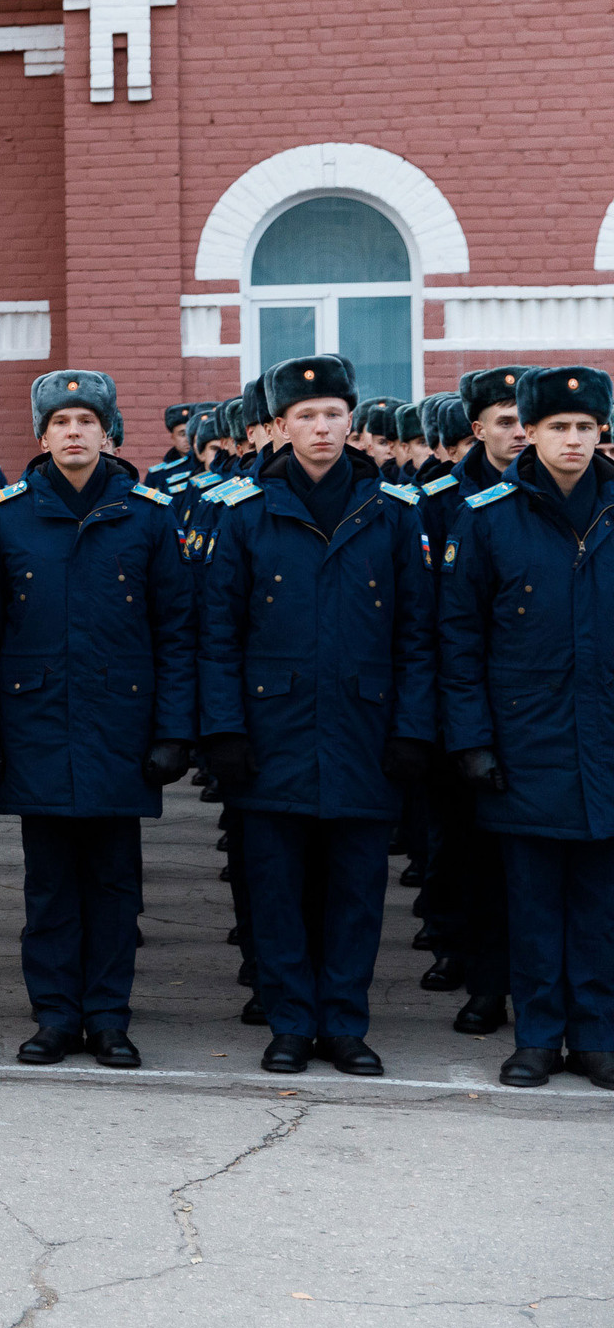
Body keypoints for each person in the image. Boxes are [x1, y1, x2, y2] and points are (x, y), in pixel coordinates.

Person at [198, 354, 437, 1077]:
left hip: (365, 731)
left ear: (352, 422)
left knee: (356, 891)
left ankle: (344, 1023)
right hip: (273, 734)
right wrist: (225, 731)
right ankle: (291, 1023)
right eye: (306, 416)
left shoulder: (394, 512)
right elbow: (217, 635)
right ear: (280, 426)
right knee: (277, 890)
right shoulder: (243, 513)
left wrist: (412, 730)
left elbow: (418, 635)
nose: (322, 427)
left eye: (334, 414)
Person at [0, 372, 195, 1069]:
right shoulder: (5, 518)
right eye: (61, 422)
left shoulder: (149, 517)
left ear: (108, 434)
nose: (73, 433)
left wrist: (172, 731)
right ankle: (56, 1017)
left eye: (86, 422)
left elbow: (176, 632)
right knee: (49, 887)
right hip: (36, 726)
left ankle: (108, 1018)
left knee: (116, 886)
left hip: (121, 729)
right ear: (42, 436)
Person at [437, 365, 614, 1089]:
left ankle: (596, 1035)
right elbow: (459, 640)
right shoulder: (488, 518)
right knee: (532, 904)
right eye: (557, 427)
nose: (573, 439)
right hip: (525, 743)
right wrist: (472, 741)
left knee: (600, 904)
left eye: (585, 426)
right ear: (530, 433)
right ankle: (538, 1037)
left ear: (601, 431)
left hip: (605, 742)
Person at [417, 372, 519, 1030]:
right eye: (504, 422)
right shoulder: (438, 501)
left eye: (525, 421)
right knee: (466, 852)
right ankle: (477, 974)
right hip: (459, 706)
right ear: (476, 429)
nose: (518, 433)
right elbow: (428, 618)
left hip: (533, 710)